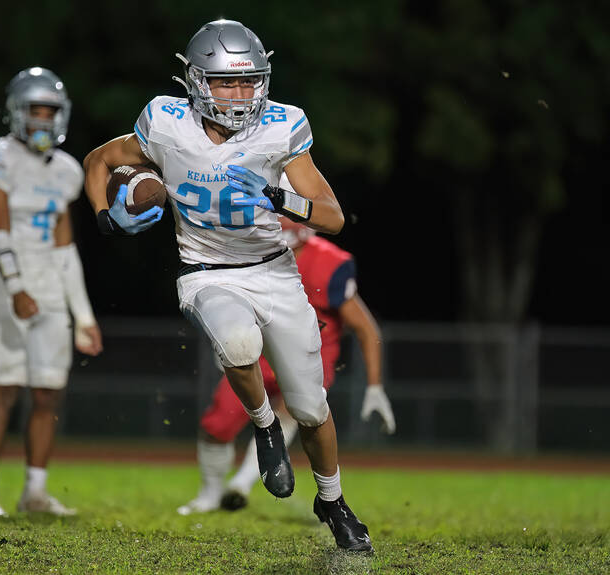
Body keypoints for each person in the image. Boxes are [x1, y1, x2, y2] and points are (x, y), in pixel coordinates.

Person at [85, 20, 373, 553]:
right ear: (195, 82)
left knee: (311, 410)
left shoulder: (282, 127)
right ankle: (264, 426)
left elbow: (332, 218)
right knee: (239, 345)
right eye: (226, 83)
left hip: (274, 271)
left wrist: (279, 197)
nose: (240, 95)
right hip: (206, 273)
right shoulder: (166, 123)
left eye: (249, 82)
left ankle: (332, 501)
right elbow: (99, 160)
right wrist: (105, 216)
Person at [177, 207, 395, 515]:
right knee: (218, 424)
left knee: (292, 414)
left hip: (309, 353)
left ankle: (241, 482)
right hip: (261, 355)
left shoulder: (328, 262)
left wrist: (375, 385)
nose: (283, 221)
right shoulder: (246, 256)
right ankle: (211, 494)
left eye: (287, 213)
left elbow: (364, 326)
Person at [0, 67, 102, 517]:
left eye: (50, 112)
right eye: (35, 111)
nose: (43, 120)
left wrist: (83, 316)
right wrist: (17, 288)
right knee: (6, 388)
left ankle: (35, 492)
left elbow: (65, 250)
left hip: (50, 289)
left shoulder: (65, 170)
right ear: (16, 113)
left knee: (48, 393)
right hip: (8, 288)